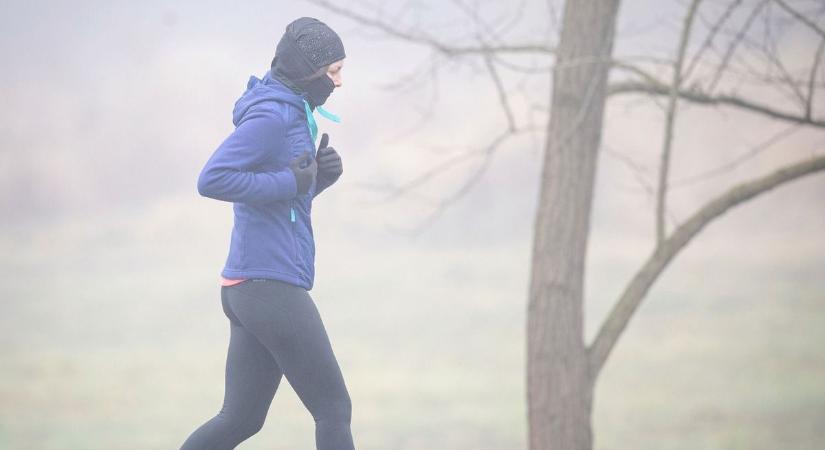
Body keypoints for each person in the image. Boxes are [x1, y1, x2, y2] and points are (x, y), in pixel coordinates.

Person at [179, 17, 354, 450]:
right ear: (307, 71)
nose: (339, 82)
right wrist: (289, 183)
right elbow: (213, 178)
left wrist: (315, 183)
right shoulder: (273, 117)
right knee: (333, 409)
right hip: (267, 285)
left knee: (240, 419)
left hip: (249, 285)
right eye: (333, 72)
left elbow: (280, 204)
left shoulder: (293, 112)